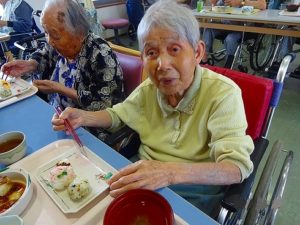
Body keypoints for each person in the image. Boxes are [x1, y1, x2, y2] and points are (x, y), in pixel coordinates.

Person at [52, 0, 254, 217]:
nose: (162, 64)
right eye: (151, 53)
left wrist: (168, 172)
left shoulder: (222, 93)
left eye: (174, 49)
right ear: (142, 58)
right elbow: (117, 114)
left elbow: (235, 167)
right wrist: (83, 116)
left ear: (197, 52)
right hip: (142, 178)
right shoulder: (149, 88)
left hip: (193, 192)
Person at [2, 0, 125, 142]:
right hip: (56, 116)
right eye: (46, 32)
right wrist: (29, 64)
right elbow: (43, 54)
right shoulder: (57, 45)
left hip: (87, 127)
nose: (49, 41)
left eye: (54, 35)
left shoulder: (100, 54)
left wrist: (59, 88)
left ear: (78, 32)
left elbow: (104, 104)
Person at [202, 0, 266, 68]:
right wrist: (214, 2)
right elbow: (215, 5)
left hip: (242, 28)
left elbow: (263, 5)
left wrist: (241, 2)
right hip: (225, 24)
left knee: (230, 38)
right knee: (209, 29)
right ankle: (203, 59)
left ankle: (229, 65)